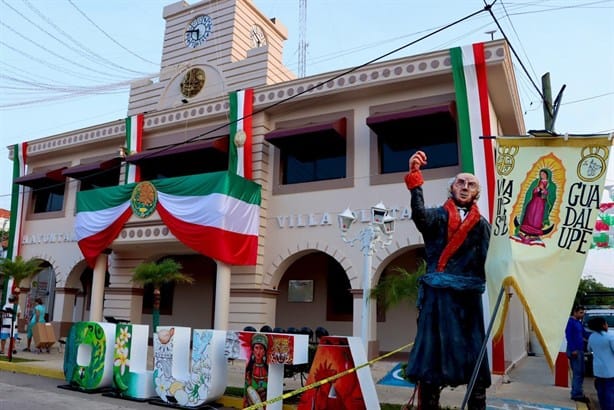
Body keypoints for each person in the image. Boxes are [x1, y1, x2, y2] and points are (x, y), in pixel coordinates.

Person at [404, 150, 491, 409]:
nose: (465, 187)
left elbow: (489, 258)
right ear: (451, 188)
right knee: (431, 360)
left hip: (467, 300)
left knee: (474, 359)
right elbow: (418, 214)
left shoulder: (483, 225)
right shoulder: (436, 217)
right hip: (438, 298)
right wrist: (415, 178)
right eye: (460, 183)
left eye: (470, 184)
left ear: (477, 192)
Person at [586, 316, 614, 410]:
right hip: (610, 370)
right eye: (606, 323)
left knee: (601, 391)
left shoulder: (592, 337)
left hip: (598, 369)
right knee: (609, 392)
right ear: (603, 325)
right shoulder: (610, 336)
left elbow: (589, 349)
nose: (607, 325)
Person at [565, 305, 589, 403]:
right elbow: (568, 335)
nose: (582, 315)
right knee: (578, 373)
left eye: (583, 313)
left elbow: (584, 334)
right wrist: (573, 349)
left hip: (580, 350)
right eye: (581, 313)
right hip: (575, 351)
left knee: (581, 372)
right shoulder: (570, 322)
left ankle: (577, 392)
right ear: (575, 312)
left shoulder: (578, 323)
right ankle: (576, 394)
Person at [244, 333, 269, 407]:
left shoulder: (267, 368)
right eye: (256, 348)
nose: (258, 351)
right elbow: (247, 387)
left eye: (261, 348)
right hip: (251, 401)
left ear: (264, 352)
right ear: (253, 350)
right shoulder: (249, 368)